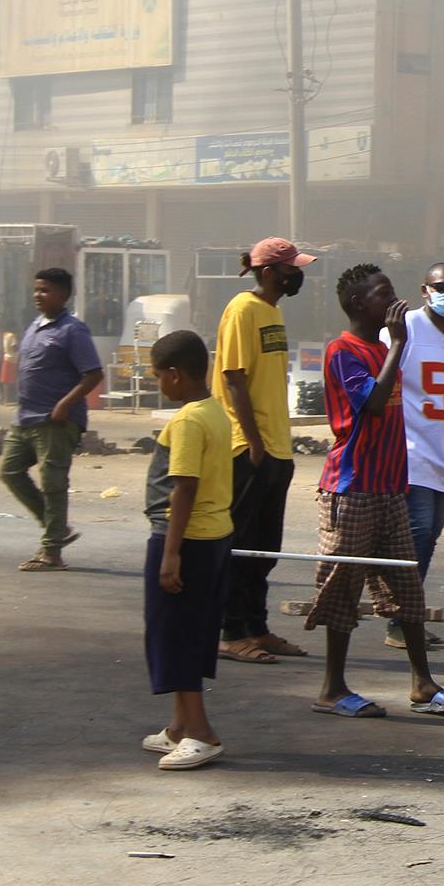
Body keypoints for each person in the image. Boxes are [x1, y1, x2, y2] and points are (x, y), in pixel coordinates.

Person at [303, 263, 444, 720]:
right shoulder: (344, 351)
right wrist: (399, 343)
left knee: (406, 588)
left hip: (390, 486)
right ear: (360, 303)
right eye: (383, 295)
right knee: (343, 588)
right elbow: (373, 405)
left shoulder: (385, 350)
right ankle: (332, 687)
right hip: (352, 487)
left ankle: (423, 683)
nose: (393, 304)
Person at [215, 237, 316, 665]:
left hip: (276, 446)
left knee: (264, 545)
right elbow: (234, 377)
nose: (299, 274)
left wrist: (276, 444)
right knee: (240, 543)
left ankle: (257, 625)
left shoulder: (271, 311)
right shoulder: (243, 308)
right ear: (271, 272)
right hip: (247, 446)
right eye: (293, 268)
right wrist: (253, 442)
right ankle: (230, 631)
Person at [138, 330, 235, 771]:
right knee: (191, 630)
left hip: (185, 539)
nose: (158, 382)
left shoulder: (188, 422)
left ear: (175, 375)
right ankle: (179, 725)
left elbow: (184, 487)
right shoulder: (214, 412)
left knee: (175, 636)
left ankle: (201, 731)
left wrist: (170, 554)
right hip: (214, 536)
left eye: (158, 375)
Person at [384, 261, 444, 650]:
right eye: (442, 287)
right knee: (418, 535)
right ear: (425, 290)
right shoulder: (404, 328)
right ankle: (400, 618)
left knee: (431, 537)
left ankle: (403, 611)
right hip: (414, 450)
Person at [0, 268, 104, 571]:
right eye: (36, 289)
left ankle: (51, 553)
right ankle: (55, 527)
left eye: (44, 290)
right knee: (10, 471)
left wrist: (64, 404)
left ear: (63, 295)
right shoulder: (34, 326)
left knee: (53, 482)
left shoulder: (73, 330)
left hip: (56, 420)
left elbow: (94, 373)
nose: (37, 295)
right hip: (25, 419)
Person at [0, 319, 19, 405]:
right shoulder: (12, 336)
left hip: (6, 358)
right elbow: (14, 347)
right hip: (13, 359)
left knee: (5, 380)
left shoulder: (5, 335)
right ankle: (16, 398)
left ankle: (5, 400)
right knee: (14, 379)